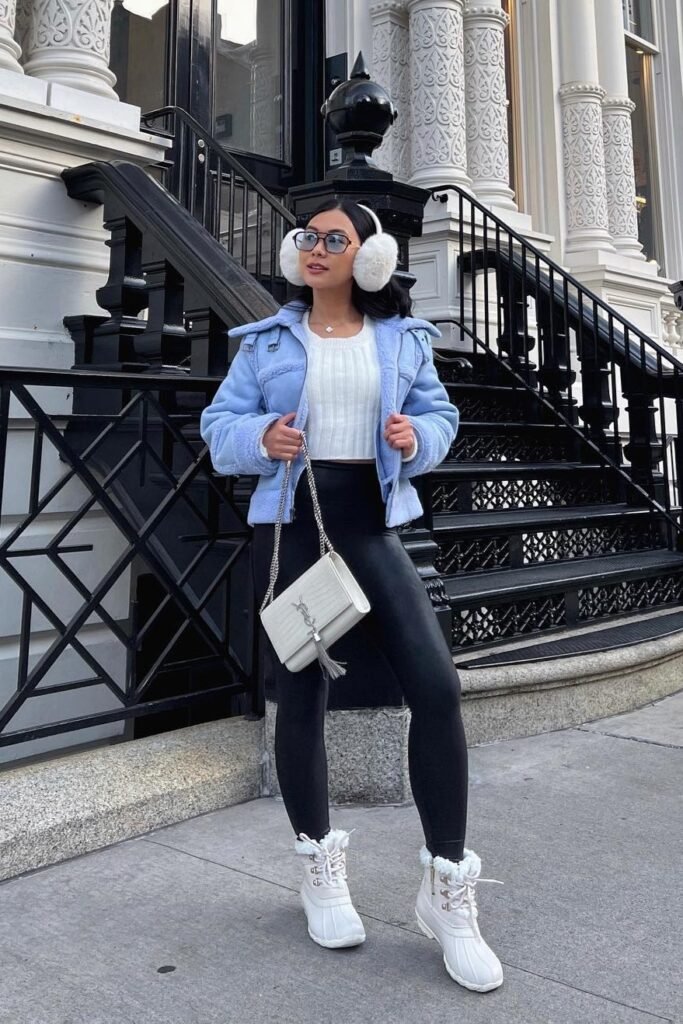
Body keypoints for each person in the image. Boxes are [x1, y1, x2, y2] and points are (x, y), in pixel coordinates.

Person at [200, 199, 503, 993]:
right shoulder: (266, 341)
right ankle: (317, 867)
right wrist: (258, 438)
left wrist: (417, 439)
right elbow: (218, 423)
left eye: (335, 238)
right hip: (293, 523)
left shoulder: (402, 340)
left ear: (371, 256)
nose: (316, 249)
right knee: (298, 693)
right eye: (308, 237)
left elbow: (440, 416)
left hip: (372, 523)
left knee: (435, 688)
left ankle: (447, 891)